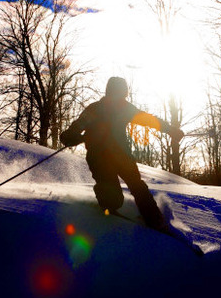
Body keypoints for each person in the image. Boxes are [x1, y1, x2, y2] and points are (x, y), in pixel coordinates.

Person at [60, 77, 184, 232]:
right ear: (112, 91)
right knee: (114, 197)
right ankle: (108, 203)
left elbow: (148, 120)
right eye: (120, 93)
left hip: (121, 155)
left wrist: (170, 130)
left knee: (138, 186)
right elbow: (77, 126)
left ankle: (155, 220)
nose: (121, 97)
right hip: (99, 157)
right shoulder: (95, 109)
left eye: (123, 94)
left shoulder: (125, 108)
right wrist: (70, 136)